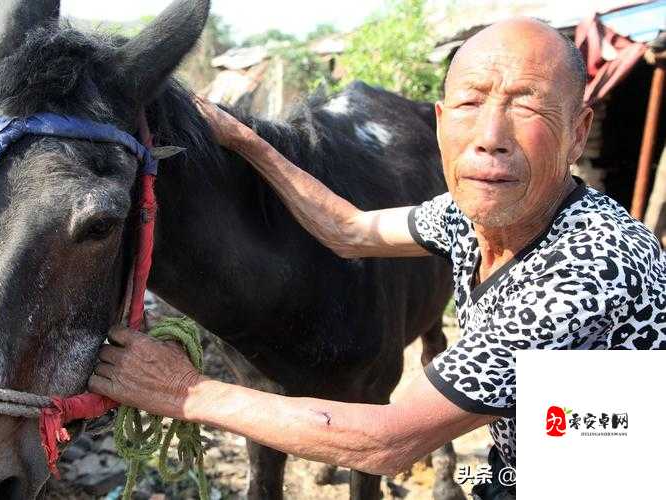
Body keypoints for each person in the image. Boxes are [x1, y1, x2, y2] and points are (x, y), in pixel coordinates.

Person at [88, 17, 666, 499]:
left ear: (577, 132)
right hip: (532, 461)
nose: (491, 134)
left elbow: (389, 441)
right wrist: (246, 141)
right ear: (439, 124)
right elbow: (350, 227)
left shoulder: (587, 270)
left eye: (529, 108)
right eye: (470, 103)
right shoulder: (478, 213)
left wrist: (187, 391)